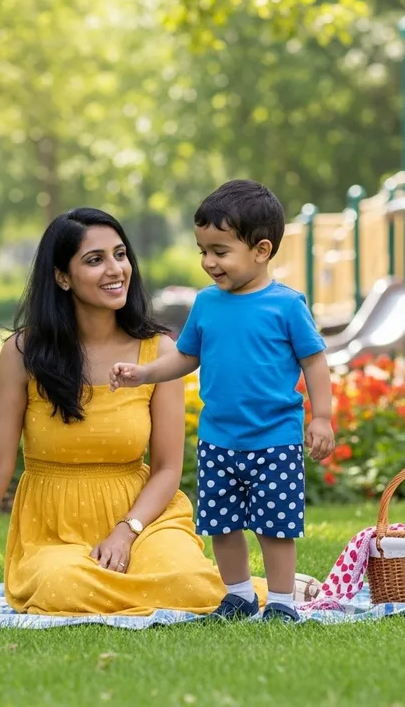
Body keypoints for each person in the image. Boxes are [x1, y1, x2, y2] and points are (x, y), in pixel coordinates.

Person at [0, 207, 271, 615]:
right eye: (95, 260)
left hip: (144, 519)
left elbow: (166, 468)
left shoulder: (159, 353)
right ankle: (211, 590)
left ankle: (258, 590)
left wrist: (126, 532)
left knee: (184, 580)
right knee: (62, 588)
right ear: (62, 276)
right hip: (54, 531)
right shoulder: (23, 353)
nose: (115, 269)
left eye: (120, 254)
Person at [110, 180, 334, 622]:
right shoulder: (206, 304)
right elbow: (186, 356)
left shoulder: (286, 306)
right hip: (219, 440)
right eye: (202, 251)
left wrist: (322, 417)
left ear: (262, 250)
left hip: (275, 440)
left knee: (275, 529)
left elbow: (316, 362)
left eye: (219, 251)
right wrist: (144, 374)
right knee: (223, 524)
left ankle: (283, 603)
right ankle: (238, 595)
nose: (209, 262)